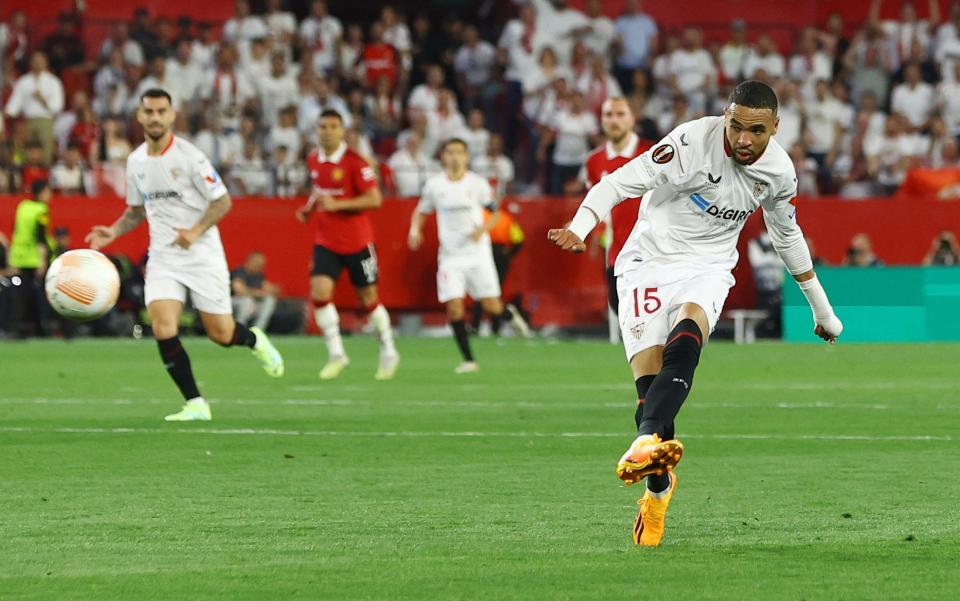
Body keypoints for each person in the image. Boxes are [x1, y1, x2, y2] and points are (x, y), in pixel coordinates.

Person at [547, 81, 844, 546]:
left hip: (707, 266)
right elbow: (619, 182)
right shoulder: (690, 143)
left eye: (757, 130)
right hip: (647, 261)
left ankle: (644, 445)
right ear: (726, 117)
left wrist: (821, 309)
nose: (743, 139)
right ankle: (658, 489)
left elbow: (787, 237)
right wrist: (581, 225)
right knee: (650, 394)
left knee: (689, 334)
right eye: (737, 126)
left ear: (776, 128)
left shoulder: (780, 173)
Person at [85, 89, 284, 422]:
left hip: (202, 255)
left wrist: (195, 231)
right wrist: (113, 231)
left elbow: (222, 201)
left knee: (221, 334)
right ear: (139, 116)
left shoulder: (191, 157)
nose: (155, 117)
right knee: (163, 327)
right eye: (148, 111)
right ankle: (195, 403)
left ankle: (254, 340)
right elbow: (136, 211)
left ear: (172, 115)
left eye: (161, 111)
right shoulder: (136, 161)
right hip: (163, 257)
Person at [408, 138, 531, 374]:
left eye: (459, 152)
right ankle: (468, 360)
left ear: (466, 157)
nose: (455, 157)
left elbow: (494, 212)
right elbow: (421, 212)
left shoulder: (477, 184)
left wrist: (483, 230)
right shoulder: (434, 185)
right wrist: (414, 231)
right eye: (450, 152)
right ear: (443, 156)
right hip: (450, 256)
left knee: (491, 306)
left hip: (477, 254)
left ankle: (509, 314)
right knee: (454, 307)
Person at [296, 109, 400, 381]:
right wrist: (308, 209)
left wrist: (339, 204)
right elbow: (320, 189)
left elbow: (375, 199)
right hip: (326, 241)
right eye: (323, 126)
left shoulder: (356, 162)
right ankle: (336, 353)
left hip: (357, 242)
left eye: (333, 126)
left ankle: (388, 350)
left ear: (342, 131)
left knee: (369, 300)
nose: (328, 131)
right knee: (319, 294)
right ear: (316, 130)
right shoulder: (313, 159)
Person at [580, 97, 652, 313]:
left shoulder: (652, 153)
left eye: (620, 114)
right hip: (618, 251)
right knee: (620, 310)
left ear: (632, 119)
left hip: (653, 248)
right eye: (608, 115)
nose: (614, 121)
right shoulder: (594, 161)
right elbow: (597, 204)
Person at [8, 179, 54, 338]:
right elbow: (41, 237)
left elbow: (15, 229)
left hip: (19, 255)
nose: (50, 196)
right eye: (48, 192)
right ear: (41, 193)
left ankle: (14, 327)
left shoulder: (23, 206)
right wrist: (42, 260)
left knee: (20, 295)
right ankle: (43, 327)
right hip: (34, 258)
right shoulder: (41, 210)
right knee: (42, 294)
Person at [231, 251, 279, 331]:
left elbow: (267, 287)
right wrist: (257, 293)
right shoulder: (239, 271)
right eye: (258, 263)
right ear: (250, 261)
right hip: (232, 302)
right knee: (247, 300)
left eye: (261, 264)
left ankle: (258, 330)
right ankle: (239, 330)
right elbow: (239, 290)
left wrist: (273, 289)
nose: (260, 266)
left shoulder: (258, 275)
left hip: (252, 304)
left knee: (270, 299)